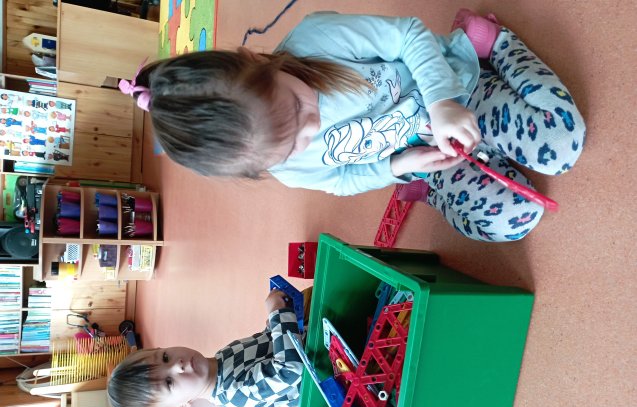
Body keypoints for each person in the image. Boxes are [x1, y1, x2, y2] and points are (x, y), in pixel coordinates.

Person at [121, 9, 585, 242]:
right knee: (516, 221)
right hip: (426, 153)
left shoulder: (316, 39)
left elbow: (409, 35)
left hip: (457, 89)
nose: (311, 128)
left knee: (561, 145)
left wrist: (443, 102)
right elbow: (342, 181)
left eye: (297, 107)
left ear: (257, 61)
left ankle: (494, 43)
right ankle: (427, 189)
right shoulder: (286, 167)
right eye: (291, 146)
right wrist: (400, 166)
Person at [107, 288, 308, 407]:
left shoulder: (220, 359)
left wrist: (272, 327)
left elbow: (266, 346)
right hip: (318, 371)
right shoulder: (234, 392)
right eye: (169, 382)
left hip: (305, 341)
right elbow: (289, 370)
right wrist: (277, 313)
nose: (178, 365)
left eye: (165, 357)